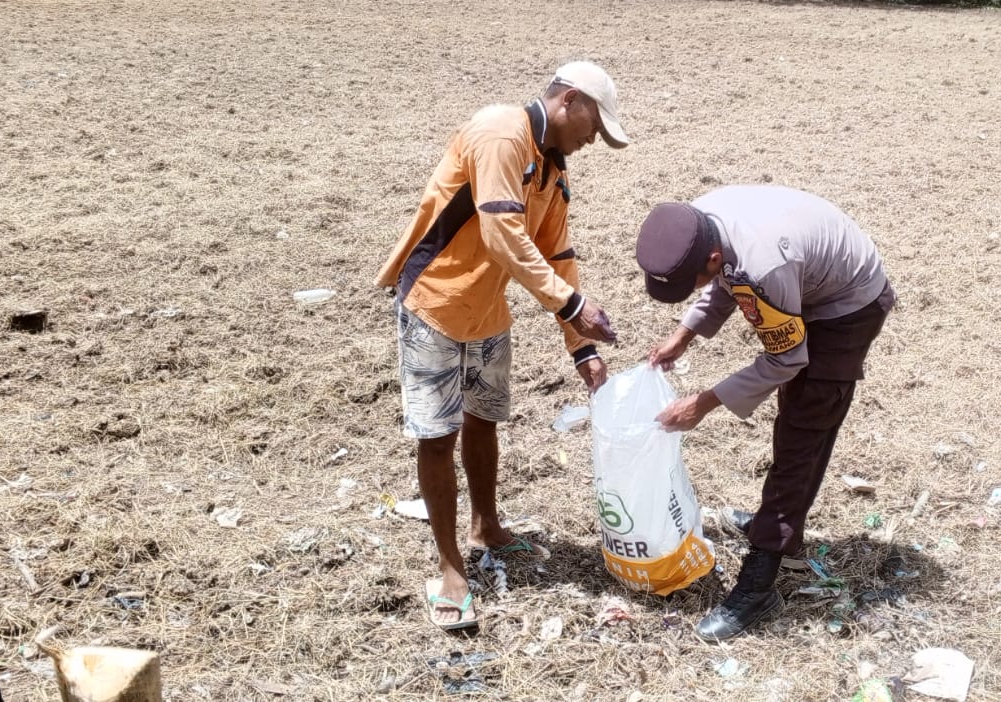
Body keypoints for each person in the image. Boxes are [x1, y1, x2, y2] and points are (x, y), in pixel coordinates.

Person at [373, 61, 629, 630]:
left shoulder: (552, 169)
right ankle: (450, 568)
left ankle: (485, 525)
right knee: (438, 436)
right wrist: (572, 306)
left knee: (484, 419)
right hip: (436, 303)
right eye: (595, 125)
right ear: (569, 100)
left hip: (489, 311)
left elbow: (558, 255)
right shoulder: (500, 133)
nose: (594, 139)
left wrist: (582, 349)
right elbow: (501, 233)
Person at [635, 184, 893, 642]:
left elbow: (785, 358)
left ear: (711, 257)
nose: (693, 288)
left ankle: (760, 583)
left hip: (848, 306)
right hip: (802, 279)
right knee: (795, 421)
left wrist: (704, 402)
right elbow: (729, 282)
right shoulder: (700, 223)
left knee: (804, 429)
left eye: (690, 282)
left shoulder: (764, 263)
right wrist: (684, 334)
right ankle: (779, 529)